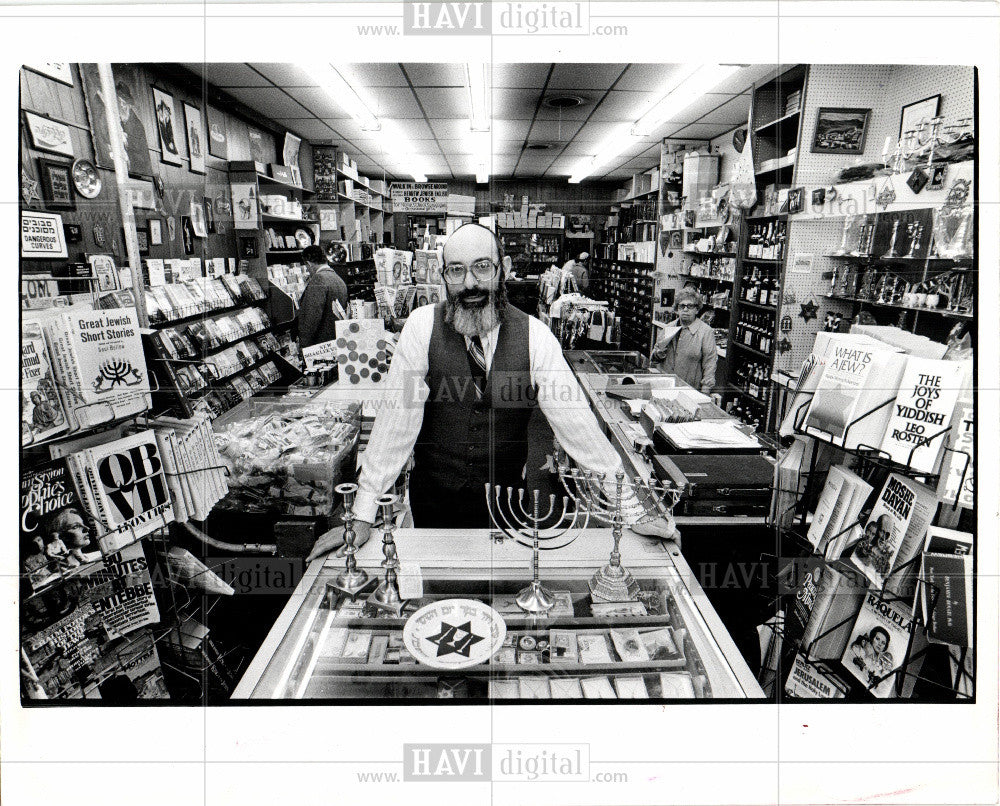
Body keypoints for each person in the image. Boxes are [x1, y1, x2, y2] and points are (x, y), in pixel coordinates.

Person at [308, 223, 674, 559]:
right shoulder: (421, 328)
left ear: (505, 268)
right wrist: (363, 512)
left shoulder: (536, 336)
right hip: (434, 502)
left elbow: (577, 425)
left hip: (506, 503)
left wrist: (630, 507)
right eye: (456, 270)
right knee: (438, 599)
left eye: (482, 267)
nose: (469, 283)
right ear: (444, 275)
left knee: (501, 600)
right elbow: (395, 423)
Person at [650, 287, 718, 394]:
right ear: (677, 309)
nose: (685, 309)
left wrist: (705, 393)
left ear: (697, 309)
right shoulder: (668, 328)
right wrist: (658, 354)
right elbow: (654, 359)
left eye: (690, 306)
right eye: (682, 306)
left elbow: (709, 365)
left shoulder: (705, 332)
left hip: (689, 391)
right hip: (665, 388)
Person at [297, 244, 349, 349]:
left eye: (306, 267)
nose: (307, 270)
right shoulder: (338, 279)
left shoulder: (318, 279)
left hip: (320, 345)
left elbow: (311, 316)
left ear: (308, 263)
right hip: (336, 341)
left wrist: (304, 345)